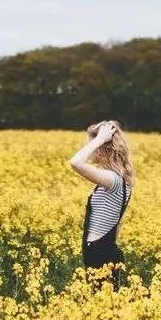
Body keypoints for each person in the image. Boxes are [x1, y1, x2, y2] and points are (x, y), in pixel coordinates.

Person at [68, 120, 135, 291]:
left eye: (90, 143)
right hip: (103, 250)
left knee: (104, 307)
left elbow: (75, 163)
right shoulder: (120, 179)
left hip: (99, 253)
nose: (87, 147)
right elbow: (118, 223)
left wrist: (99, 139)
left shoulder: (112, 179)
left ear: (104, 146)